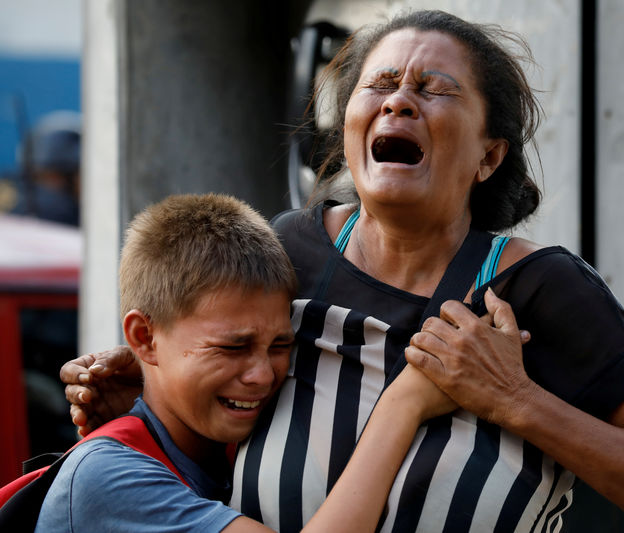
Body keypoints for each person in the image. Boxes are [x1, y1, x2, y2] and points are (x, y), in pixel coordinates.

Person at [60, 10, 624, 533]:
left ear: (489, 156)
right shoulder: (290, 254)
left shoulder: (542, 291)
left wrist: (516, 400)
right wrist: (155, 390)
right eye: (378, 84)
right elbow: (221, 405)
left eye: (434, 89)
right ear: (349, 128)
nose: (399, 100)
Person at [36, 193, 454, 532]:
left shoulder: (233, 450)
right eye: (232, 348)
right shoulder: (107, 478)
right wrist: (403, 405)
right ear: (145, 338)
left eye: (279, 345)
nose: (261, 375)